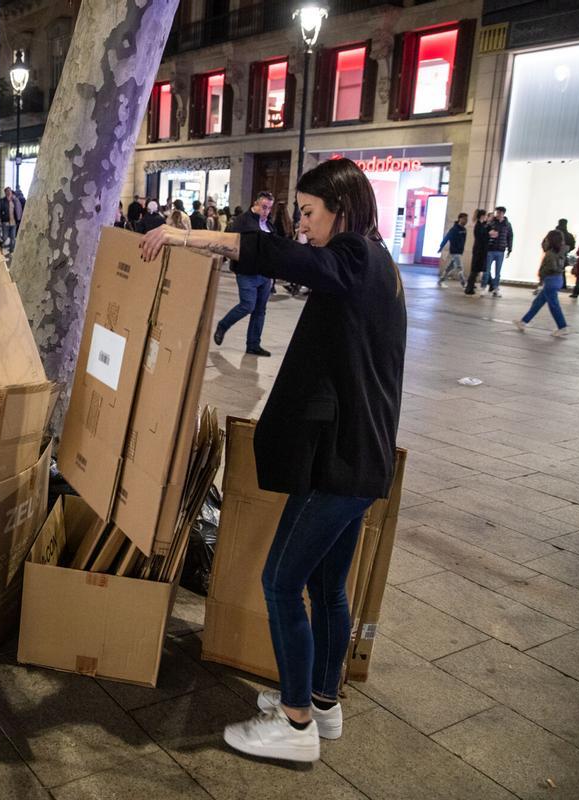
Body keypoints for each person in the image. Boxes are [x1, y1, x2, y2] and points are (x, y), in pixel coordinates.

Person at [140, 157, 405, 764]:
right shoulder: (378, 264)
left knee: (280, 583)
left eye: (309, 213)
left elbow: (289, 257)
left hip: (340, 466)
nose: (302, 225)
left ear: (342, 209)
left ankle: (294, 724)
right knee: (327, 586)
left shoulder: (357, 257)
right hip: (360, 459)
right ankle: (323, 704)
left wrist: (189, 235)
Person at [214, 192, 277, 356]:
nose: (266, 211)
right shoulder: (242, 221)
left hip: (265, 273)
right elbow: (231, 241)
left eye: (269, 208)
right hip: (246, 272)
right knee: (247, 305)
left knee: (260, 310)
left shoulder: (269, 225)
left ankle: (253, 344)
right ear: (255, 205)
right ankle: (223, 325)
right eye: (264, 207)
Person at [514, 230, 571, 336]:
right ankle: (523, 322)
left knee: (554, 305)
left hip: (551, 280)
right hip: (557, 279)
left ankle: (562, 326)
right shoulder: (561, 251)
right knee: (538, 303)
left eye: (548, 239)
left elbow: (551, 267)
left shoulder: (550, 254)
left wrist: (542, 274)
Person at [483, 206, 513, 297]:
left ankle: (496, 288)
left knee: (498, 272)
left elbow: (510, 237)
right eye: (497, 212)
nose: (498, 214)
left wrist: (509, 248)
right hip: (491, 249)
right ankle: (483, 287)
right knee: (486, 270)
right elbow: (484, 232)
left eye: (500, 213)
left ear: (503, 213)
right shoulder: (491, 223)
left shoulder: (507, 225)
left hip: (501, 250)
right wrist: (488, 229)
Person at [436, 213, 468, 287]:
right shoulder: (454, 229)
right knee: (459, 267)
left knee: (450, 267)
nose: (465, 221)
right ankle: (463, 283)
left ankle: (441, 280)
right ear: (460, 219)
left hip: (460, 252)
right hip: (454, 251)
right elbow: (446, 238)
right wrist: (441, 247)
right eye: (464, 219)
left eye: (466, 219)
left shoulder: (464, 230)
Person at [463, 209, 489, 295]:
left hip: (480, 250)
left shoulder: (482, 225)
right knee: (475, 270)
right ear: (482, 216)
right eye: (485, 215)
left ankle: (470, 287)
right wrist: (489, 235)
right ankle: (469, 288)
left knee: (476, 270)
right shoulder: (479, 226)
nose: (486, 217)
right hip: (479, 250)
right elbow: (481, 237)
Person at [0, 186, 23, 252]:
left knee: (13, 237)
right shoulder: (2, 201)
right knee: (5, 237)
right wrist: (1, 219)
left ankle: (11, 250)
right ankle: (2, 248)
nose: (9, 192)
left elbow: (18, 209)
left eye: (9, 190)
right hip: (5, 222)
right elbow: (0, 210)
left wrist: (18, 219)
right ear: (5, 192)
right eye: (7, 191)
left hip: (14, 222)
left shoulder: (14, 200)